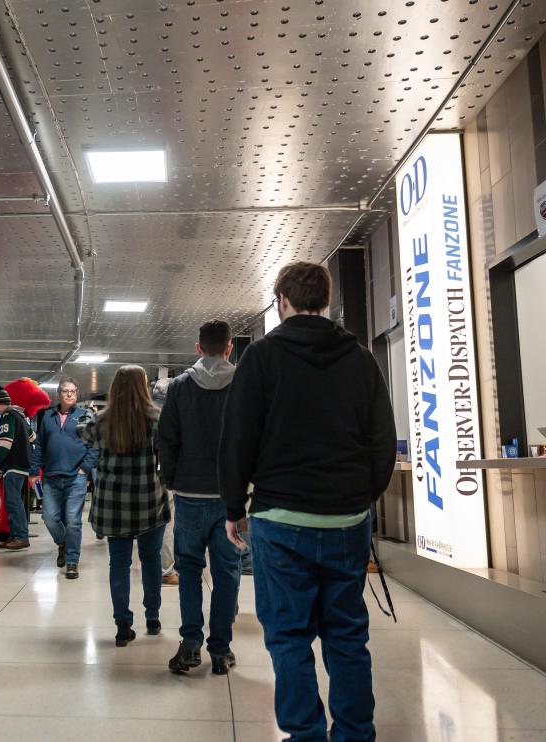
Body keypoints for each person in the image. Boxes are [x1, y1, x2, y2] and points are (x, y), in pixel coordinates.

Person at [219, 262, 396, 742]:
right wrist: (361, 498)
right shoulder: (360, 359)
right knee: (347, 635)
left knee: (288, 636)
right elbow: (383, 440)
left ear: (282, 302)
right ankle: (356, 734)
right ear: (327, 300)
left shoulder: (261, 359)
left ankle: (305, 734)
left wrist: (234, 507)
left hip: (279, 518)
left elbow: (238, 438)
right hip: (346, 520)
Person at [158, 320, 242, 676]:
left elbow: (166, 438)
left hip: (190, 496)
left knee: (189, 570)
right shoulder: (243, 384)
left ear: (198, 348)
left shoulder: (178, 387)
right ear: (229, 348)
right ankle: (220, 650)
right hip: (230, 498)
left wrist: (173, 479)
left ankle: (190, 643)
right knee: (227, 574)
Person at [78, 365, 170, 647]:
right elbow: (166, 454)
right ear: (143, 387)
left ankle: (122, 623)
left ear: (115, 389)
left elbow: (82, 433)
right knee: (151, 559)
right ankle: (152, 617)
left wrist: (88, 413)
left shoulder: (102, 421)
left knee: (119, 562)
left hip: (113, 504)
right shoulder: (156, 418)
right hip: (148, 502)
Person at [30, 377, 98, 579]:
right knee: (49, 518)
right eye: (65, 391)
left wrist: (84, 469)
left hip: (75, 477)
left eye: (73, 391)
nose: (69, 394)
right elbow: (39, 444)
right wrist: (34, 471)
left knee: (73, 522)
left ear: (77, 395)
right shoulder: (47, 416)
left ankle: (71, 561)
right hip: (51, 476)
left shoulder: (85, 415)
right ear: (58, 394)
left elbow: (94, 445)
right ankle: (63, 542)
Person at [0, 387, 34, 550]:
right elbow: (32, 437)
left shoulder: (7, 416)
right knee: (15, 501)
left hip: (14, 465)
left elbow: (4, 444)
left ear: (1, 404)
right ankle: (15, 536)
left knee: (13, 502)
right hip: (23, 465)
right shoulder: (20, 417)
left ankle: (21, 537)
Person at [152, 377, 178, 587]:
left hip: (147, 476)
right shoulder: (173, 414)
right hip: (169, 475)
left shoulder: (144, 414)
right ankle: (167, 570)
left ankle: (155, 564)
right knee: (169, 522)